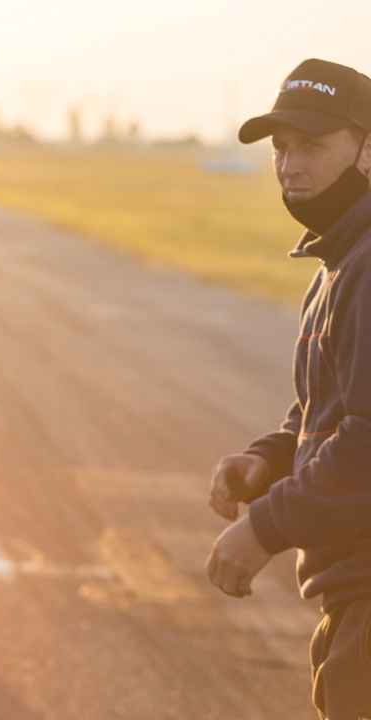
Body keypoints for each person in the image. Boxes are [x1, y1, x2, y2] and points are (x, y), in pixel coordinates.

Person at [206, 58, 371, 719]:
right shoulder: (340, 262)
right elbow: (328, 409)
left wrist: (264, 528)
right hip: (351, 595)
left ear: (367, 151)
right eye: (281, 148)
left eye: (312, 145)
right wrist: (270, 460)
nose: (290, 167)